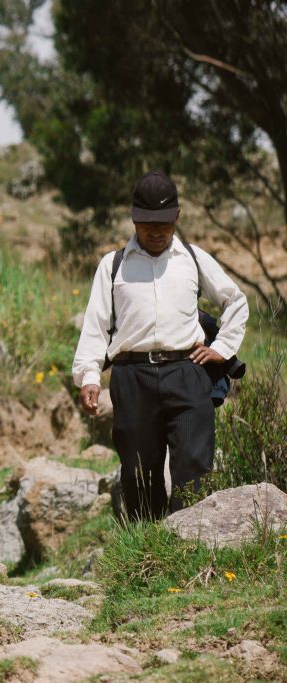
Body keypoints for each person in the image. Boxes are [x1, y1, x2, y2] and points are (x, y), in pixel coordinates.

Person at [72, 171, 249, 520]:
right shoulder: (113, 265)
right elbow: (96, 325)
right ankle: (145, 551)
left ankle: (188, 549)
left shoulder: (194, 260)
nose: (156, 232)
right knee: (139, 471)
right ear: (134, 218)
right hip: (131, 376)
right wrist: (89, 376)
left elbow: (236, 300)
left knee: (193, 467)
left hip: (188, 373)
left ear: (177, 218)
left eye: (165, 224)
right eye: (147, 223)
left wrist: (223, 347)